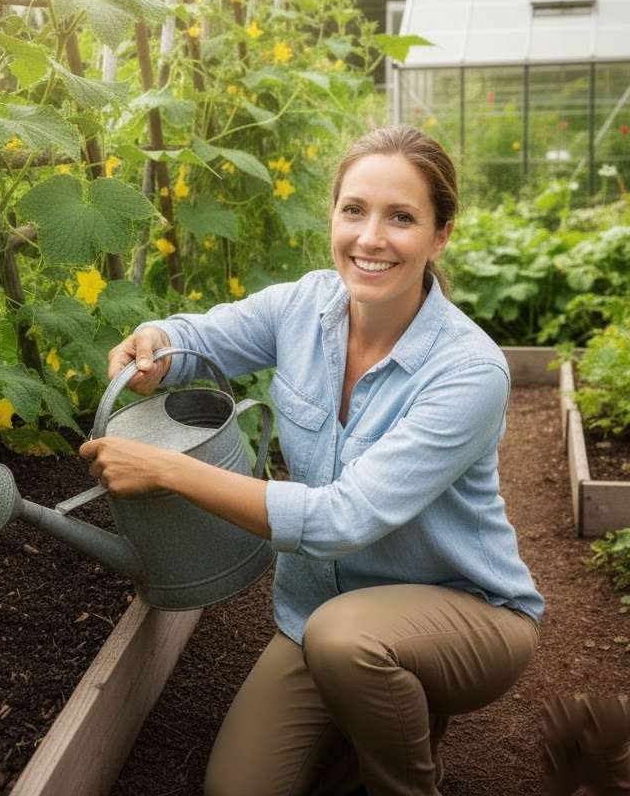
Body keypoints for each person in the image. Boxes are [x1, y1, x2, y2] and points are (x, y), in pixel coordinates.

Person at [78, 125, 545, 796]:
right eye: (354, 210)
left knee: (347, 643)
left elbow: (340, 520)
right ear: (333, 216)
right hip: (319, 614)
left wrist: (167, 469)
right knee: (237, 788)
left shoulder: (468, 372)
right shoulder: (302, 307)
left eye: (401, 217)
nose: (370, 238)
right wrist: (155, 344)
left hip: (466, 613)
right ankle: (375, 712)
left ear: (440, 235)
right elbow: (198, 337)